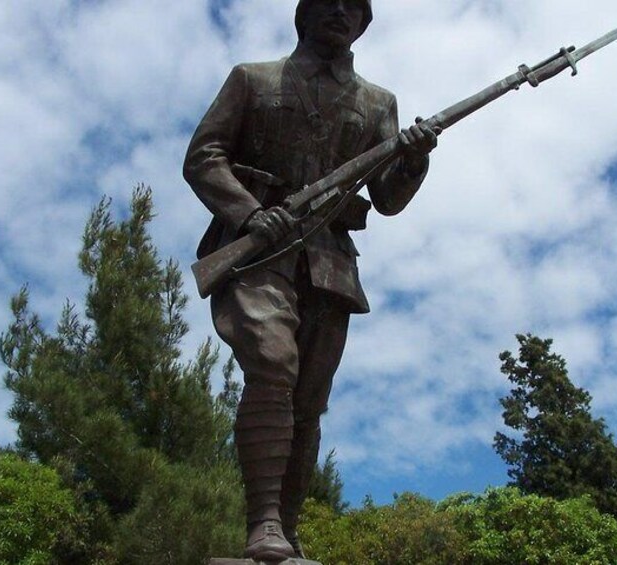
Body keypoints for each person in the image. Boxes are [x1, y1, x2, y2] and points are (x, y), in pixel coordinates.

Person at [183, 0, 437, 560]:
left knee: (307, 402)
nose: (341, 12)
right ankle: (264, 522)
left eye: (355, 7)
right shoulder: (253, 79)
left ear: (364, 24)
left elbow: (387, 198)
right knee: (272, 365)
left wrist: (413, 161)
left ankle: (286, 531)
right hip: (259, 251)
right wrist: (249, 214)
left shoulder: (378, 104)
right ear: (304, 14)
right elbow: (205, 156)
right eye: (329, 1)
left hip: (329, 265)